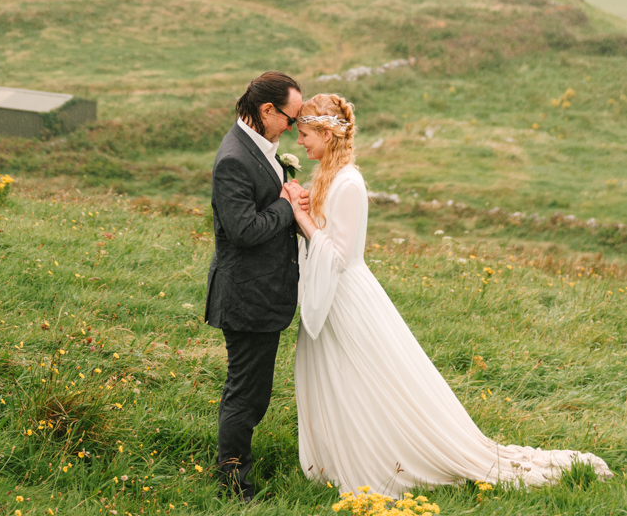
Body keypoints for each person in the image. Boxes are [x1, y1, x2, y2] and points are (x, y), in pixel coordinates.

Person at [287, 93, 612, 498]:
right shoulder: (327, 177)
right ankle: (343, 449)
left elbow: (336, 254)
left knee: (364, 376)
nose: (299, 142)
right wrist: (302, 206)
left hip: (348, 296)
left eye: (304, 134)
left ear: (326, 133)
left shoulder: (349, 182)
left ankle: (385, 455)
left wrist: (300, 217)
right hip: (334, 296)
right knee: (342, 375)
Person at [205, 71, 305, 501]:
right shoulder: (233, 159)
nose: (294, 128)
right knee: (245, 394)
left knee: (253, 391)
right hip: (247, 296)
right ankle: (233, 483)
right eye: (291, 119)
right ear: (267, 111)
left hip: (264, 293)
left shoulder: (261, 146)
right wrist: (286, 205)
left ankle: (235, 467)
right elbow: (244, 230)